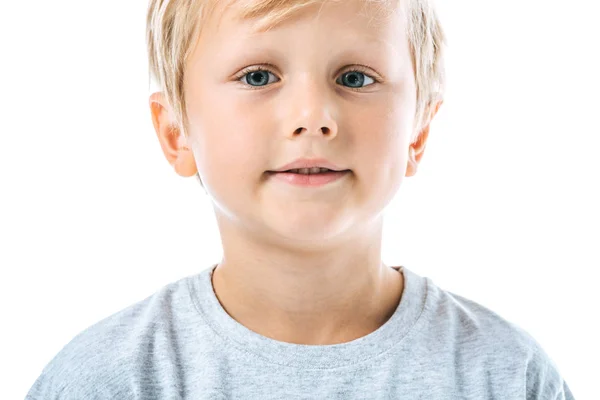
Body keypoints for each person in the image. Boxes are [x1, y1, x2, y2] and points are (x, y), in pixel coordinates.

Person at [25, 0, 575, 398]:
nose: (313, 116)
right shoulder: (108, 381)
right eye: (258, 75)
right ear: (176, 133)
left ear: (418, 134)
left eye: (356, 78)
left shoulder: (505, 376)